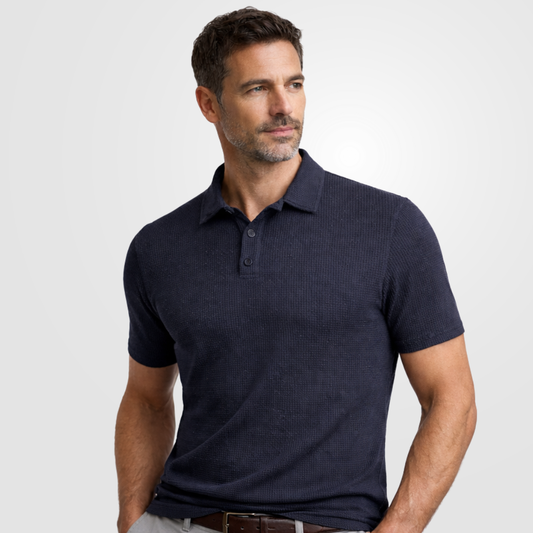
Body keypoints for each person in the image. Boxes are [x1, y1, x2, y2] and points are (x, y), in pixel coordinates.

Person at [115, 7, 476, 533]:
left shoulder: (390, 227)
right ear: (209, 104)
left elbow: (452, 399)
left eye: (295, 84)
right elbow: (146, 399)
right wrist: (132, 519)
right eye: (257, 88)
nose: (284, 106)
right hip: (183, 519)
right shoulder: (158, 248)